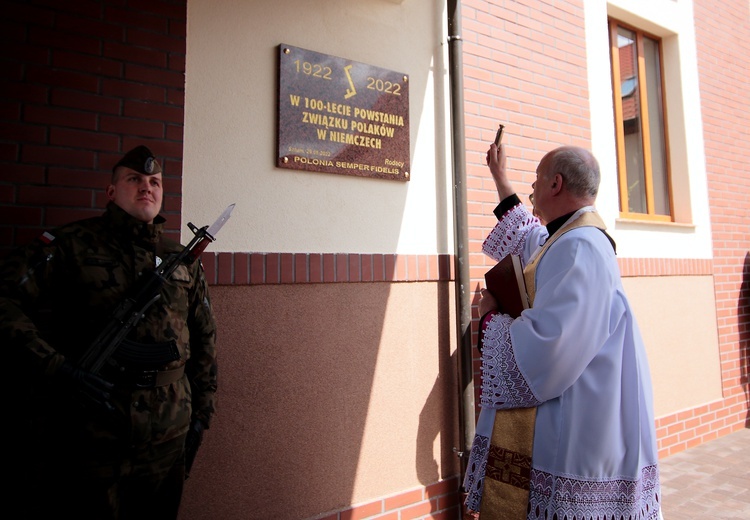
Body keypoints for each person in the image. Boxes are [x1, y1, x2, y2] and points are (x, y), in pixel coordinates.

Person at [1, 145, 218, 519]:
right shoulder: (71, 245)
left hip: (168, 436)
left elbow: (205, 340)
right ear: (111, 191)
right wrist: (56, 367)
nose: (146, 187)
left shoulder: (180, 259)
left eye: (155, 182)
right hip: (93, 436)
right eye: (134, 179)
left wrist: (202, 414)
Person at [462, 142, 661, 519]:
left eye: (536, 181)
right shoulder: (566, 238)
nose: (532, 190)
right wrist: (500, 179)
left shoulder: (581, 248)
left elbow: (548, 348)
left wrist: (490, 319)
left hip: (579, 423)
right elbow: (528, 236)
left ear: (555, 184)